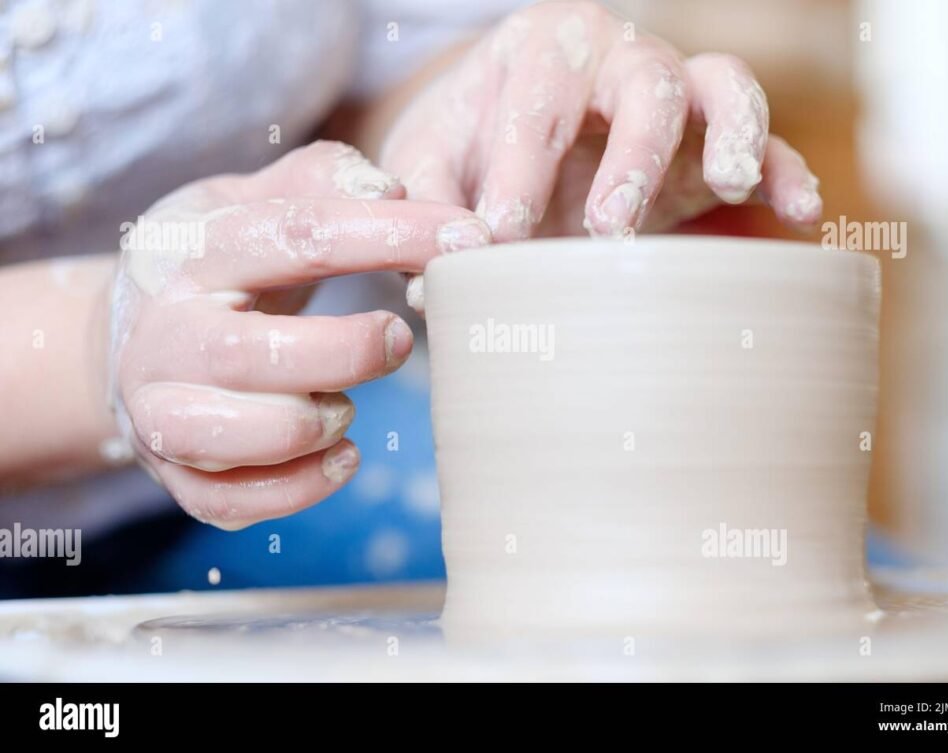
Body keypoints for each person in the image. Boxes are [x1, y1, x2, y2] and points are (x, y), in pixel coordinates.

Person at [0, 0, 821, 595]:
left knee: (752, 577)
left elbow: (374, 61)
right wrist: (96, 346)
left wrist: (476, 129)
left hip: (286, 433)